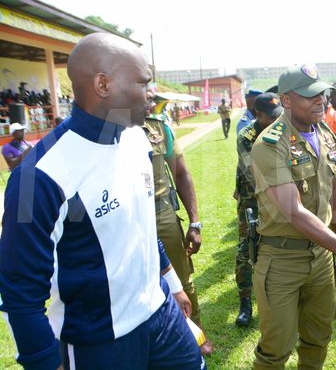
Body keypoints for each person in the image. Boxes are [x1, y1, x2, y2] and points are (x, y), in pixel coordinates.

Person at [0, 33, 205, 370]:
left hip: (162, 314)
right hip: (100, 342)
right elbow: (19, 290)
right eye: (143, 83)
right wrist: (44, 361)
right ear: (103, 84)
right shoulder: (33, 178)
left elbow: (140, 226)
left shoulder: (137, 138)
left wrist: (171, 284)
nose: (152, 94)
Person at [250, 64, 336, 369]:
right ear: (286, 100)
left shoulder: (324, 133)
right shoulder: (270, 144)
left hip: (322, 257)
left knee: (318, 337)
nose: (321, 100)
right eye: (310, 96)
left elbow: (332, 189)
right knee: (276, 348)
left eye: (321, 94)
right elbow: (293, 211)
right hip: (283, 259)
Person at [143, 105, 214, 355]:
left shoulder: (158, 128)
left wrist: (194, 223)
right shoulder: (104, 128)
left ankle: (196, 334)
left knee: (181, 280)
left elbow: (181, 173)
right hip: (121, 217)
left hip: (160, 214)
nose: (147, 97)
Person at [234, 92, 283, 327]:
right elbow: (251, 173)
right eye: (271, 117)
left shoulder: (284, 130)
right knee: (246, 248)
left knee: (276, 248)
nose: (276, 120)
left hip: (280, 199)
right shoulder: (247, 136)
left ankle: (274, 301)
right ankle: (245, 302)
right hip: (251, 199)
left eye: (279, 115)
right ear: (258, 114)